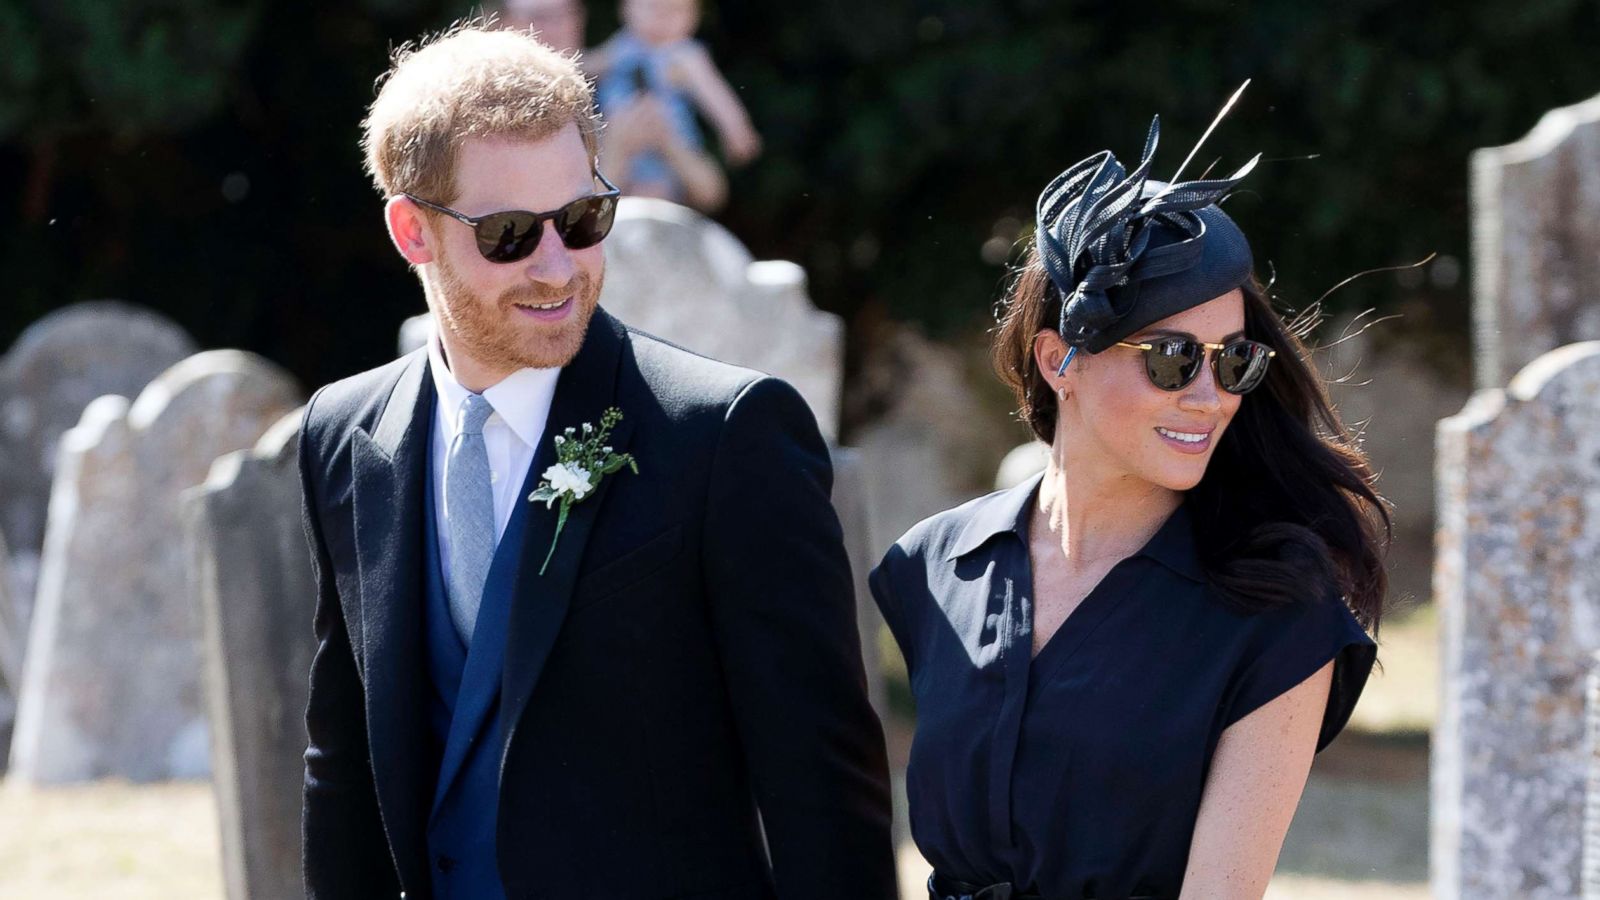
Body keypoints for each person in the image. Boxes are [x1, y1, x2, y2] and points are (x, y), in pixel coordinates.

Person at [299, 23, 895, 900]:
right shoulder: (342, 434)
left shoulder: (728, 435)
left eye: (582, 219)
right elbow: (342, 762)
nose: (557, 267)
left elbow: (824, 792)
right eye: (508, 233)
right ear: (412, 232)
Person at [871, 114, 1389, 900]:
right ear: (1059, 361)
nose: (1212, 397)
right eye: (1174, 359)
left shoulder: (1280, 609)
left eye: (1236, 361)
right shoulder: (931, 566)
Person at [589, 0, 760, 204]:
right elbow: (585, 65)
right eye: (654, 7)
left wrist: (736, 129)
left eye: (676, 11)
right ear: (626, 8)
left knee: (657, 192)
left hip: (668, 144)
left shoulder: (684, 55)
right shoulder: (619, 46)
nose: (663, 18)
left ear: (695, 17)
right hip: (617, 143)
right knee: (618, 189)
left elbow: (715, 94)